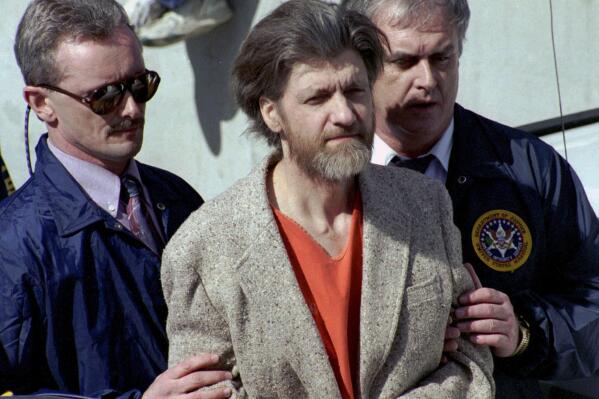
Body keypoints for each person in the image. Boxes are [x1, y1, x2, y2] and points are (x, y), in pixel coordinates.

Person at [161, 1, 494, 398]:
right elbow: (205, 393)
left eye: (355, 90)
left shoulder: (425, 204)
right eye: (318, 98)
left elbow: (471, 362)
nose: (345, 114)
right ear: (271, 113)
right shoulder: (202, 249)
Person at [346, 0, 599, 398]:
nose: (428, 79)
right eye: (405, 61)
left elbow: (592, 302)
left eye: (442, 57)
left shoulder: (528, 169)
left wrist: (524, 332)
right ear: (361, 62)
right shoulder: (326, 179)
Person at [0, 0, 231, 397]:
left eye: (141, 85)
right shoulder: (13, 244)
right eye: (104, 96)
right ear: (41, 103)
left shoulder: (177, 198)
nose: (131, 108)